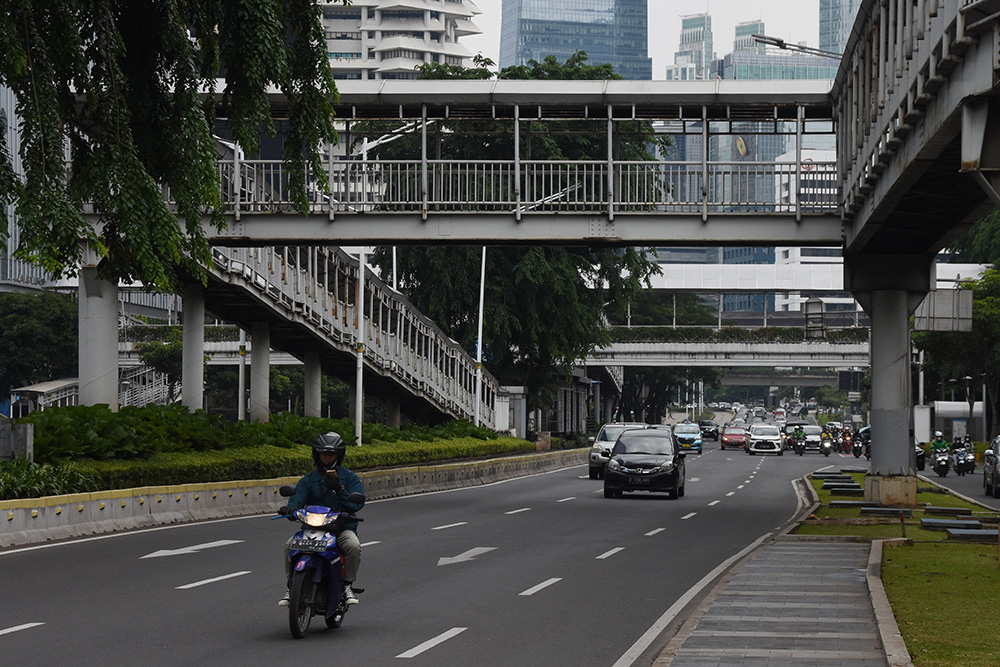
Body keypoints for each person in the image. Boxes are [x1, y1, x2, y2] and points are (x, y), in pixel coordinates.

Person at [279, 431, 365, 607]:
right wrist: (291, 508)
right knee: (289, 545)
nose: (327, 457)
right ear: (317, 455)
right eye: (323, 453)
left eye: (331, 453)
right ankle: (291, 586)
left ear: (338, 455)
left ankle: (347, 585)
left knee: (353, 546)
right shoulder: (309, 479)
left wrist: (340, 490)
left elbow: (357, 504)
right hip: (312, 527)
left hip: (341, 528)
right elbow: (298, 496)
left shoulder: (349, 478)